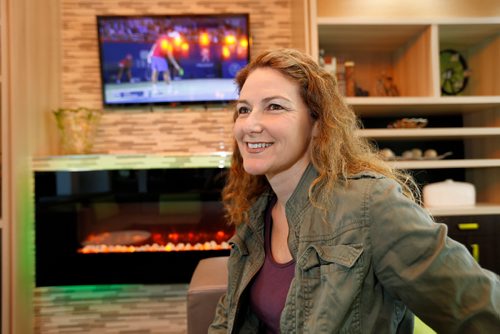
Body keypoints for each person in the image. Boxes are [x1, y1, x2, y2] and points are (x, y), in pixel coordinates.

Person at [209, 48, 500, 333]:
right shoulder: (256, 212)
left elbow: (481, 309)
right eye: (243, 109)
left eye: (274, 106)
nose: (250, 124)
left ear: (317, 123)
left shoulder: (371, 205)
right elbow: (228, 317)